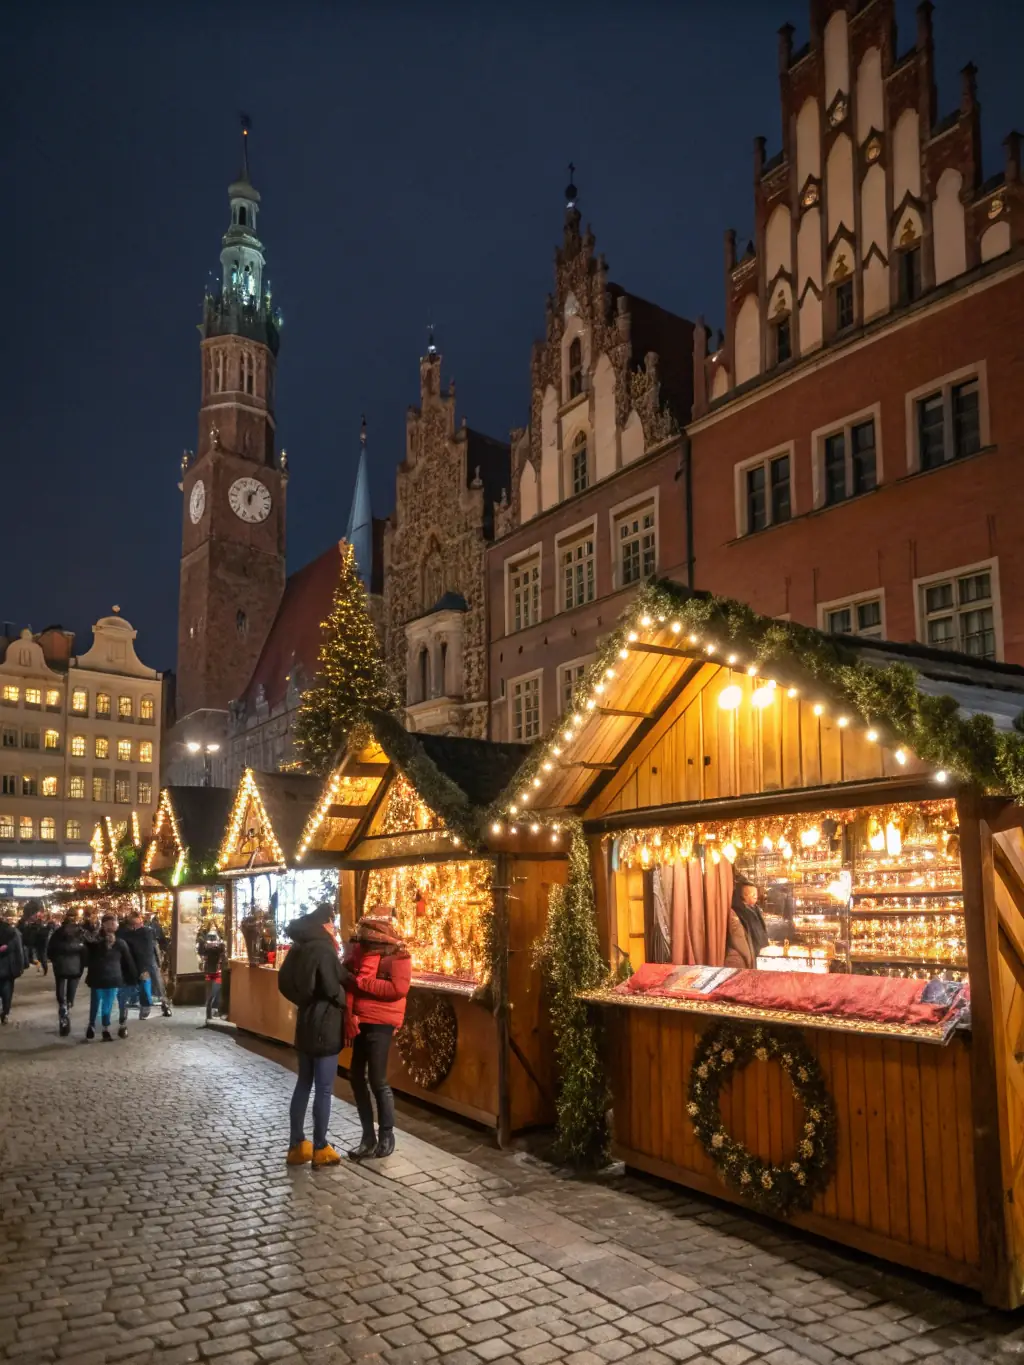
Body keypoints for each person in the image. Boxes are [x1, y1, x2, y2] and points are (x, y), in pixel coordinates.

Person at [277, 902, 345, 1167]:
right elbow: (331, 987)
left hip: (305, 1022)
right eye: (332, 923)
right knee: (324, 1089)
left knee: (304, 1083)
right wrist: (343, 997)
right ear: (324, 924)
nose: (334, 928)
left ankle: (296, 1145)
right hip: (325, 1024)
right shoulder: (324, 948)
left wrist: (302, 1000)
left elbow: (284, 981)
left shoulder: (299, 946)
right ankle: (320, 1147)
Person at [342, 909, 411, 1162]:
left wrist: (363, 983)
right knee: (356, 1076)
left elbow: (398, 988)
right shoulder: (359, 951)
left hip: (381, 1021)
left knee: (377, 1079)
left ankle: (386, 1135)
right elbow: (349, 981)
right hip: (361, 1019)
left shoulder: (398, 954)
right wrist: (349, 1013)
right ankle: (367, 1136)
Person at [84, 912, 137, 1040]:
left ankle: (92, 1025)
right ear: (116, 926)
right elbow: (129, 962)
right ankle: (105, 1029)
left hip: (96, 977)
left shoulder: (94, 942)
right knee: (107, 1004)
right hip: (113, 977)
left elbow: (86, 958)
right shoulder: (120, 943)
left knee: (95, 1002)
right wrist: (134, 977)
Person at [117, 911, 165, 1020]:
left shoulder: (146, 932)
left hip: (143, 965)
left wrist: (147, 967)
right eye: (136, 924)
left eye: (140, 923)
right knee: (127, 990)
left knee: (144, 987)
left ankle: (143, 1006)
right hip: (130, 966)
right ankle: (127, 1008)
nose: (139, 926)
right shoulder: (124, 934)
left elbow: (148, 951)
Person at [47, 910, 88, 1036]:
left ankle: (62, 1005)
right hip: (76, 965)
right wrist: (83, 962)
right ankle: (69, 1004)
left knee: (60, 985)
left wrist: (54, 960)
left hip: (60, 965)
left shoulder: (58, 932)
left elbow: (50, 949)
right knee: (72, 986)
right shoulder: (80, 932)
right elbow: (85, 949)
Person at [725, 877, 769, 969]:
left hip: (761, 952)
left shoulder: (756, 909)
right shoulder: (738, 913)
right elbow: (740, 938)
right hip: (752, 952)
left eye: (756, 893)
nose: (755, 896)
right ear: (743, 896)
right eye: (752, 894)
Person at [0, 912, 25, 1024]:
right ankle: (5, 1012)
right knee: (7, 990)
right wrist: (21, 965)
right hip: (9, 967)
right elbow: (19, 950)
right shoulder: (13, 932)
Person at [198, 929, 226, 1022]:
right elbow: (202, 952)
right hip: (214, 973)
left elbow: (202, 952)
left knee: (213, 992)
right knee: (213, 992)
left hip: (213, 972)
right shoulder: (215, 946)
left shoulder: (212, 947)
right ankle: (210, 1014)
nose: (212, 941)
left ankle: (210, 1014)